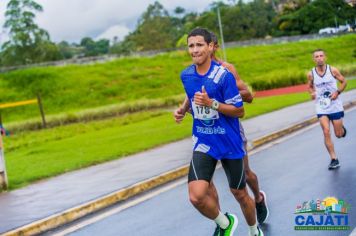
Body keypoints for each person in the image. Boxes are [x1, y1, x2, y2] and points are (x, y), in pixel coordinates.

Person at [175, 32, 269, 226]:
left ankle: (258, 199)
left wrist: (219, 98)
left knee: (245, 174)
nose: (196, 50)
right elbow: (192, 93)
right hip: (207, 134)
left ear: (212, 47)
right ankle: (222, 222)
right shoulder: (191, 73)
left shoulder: (226, 69)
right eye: (192, 46)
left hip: (230, 128)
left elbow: (248, 96)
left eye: (202, 45)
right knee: (205, 184)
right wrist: (184, 109)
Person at [307, 49, 347, 170]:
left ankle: (341, 130)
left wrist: (338, 92)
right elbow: (309, 87)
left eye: (321, 56)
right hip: (321, 106)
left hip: (335, 105)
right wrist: (312, 93)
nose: (319, 58)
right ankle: (334, 159)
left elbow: (344, 81)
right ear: (314, 59)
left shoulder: (332, 70)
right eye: (316, 56)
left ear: (325, 57)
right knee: (325, 131)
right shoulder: (311, 74)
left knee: (338, 134)